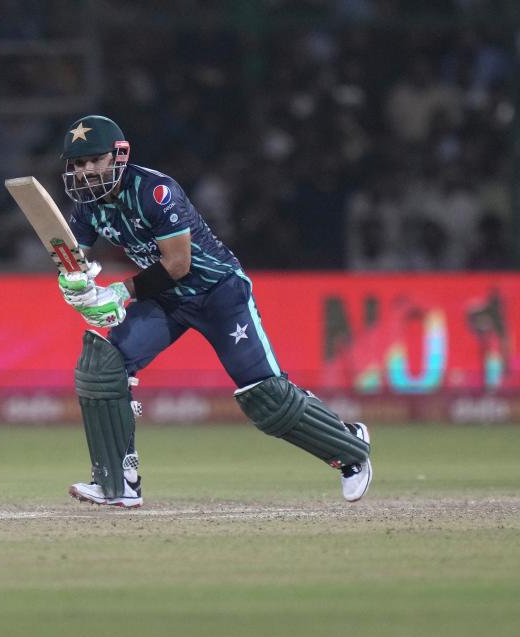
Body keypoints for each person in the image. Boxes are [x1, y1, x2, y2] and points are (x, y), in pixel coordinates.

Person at [55, 115, 372, 508]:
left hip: (218, 292)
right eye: (78, 164)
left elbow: (177, 265)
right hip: (167, 300)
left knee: (265, 396)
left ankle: (350, 448)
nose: (85, 172)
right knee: (102, 364)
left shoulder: (155, 192)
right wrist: (75, 285)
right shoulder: (87, 206)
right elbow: (75, 258)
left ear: (118, 157)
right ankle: (118, 481)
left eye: (93, 161)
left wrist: (119, 293)